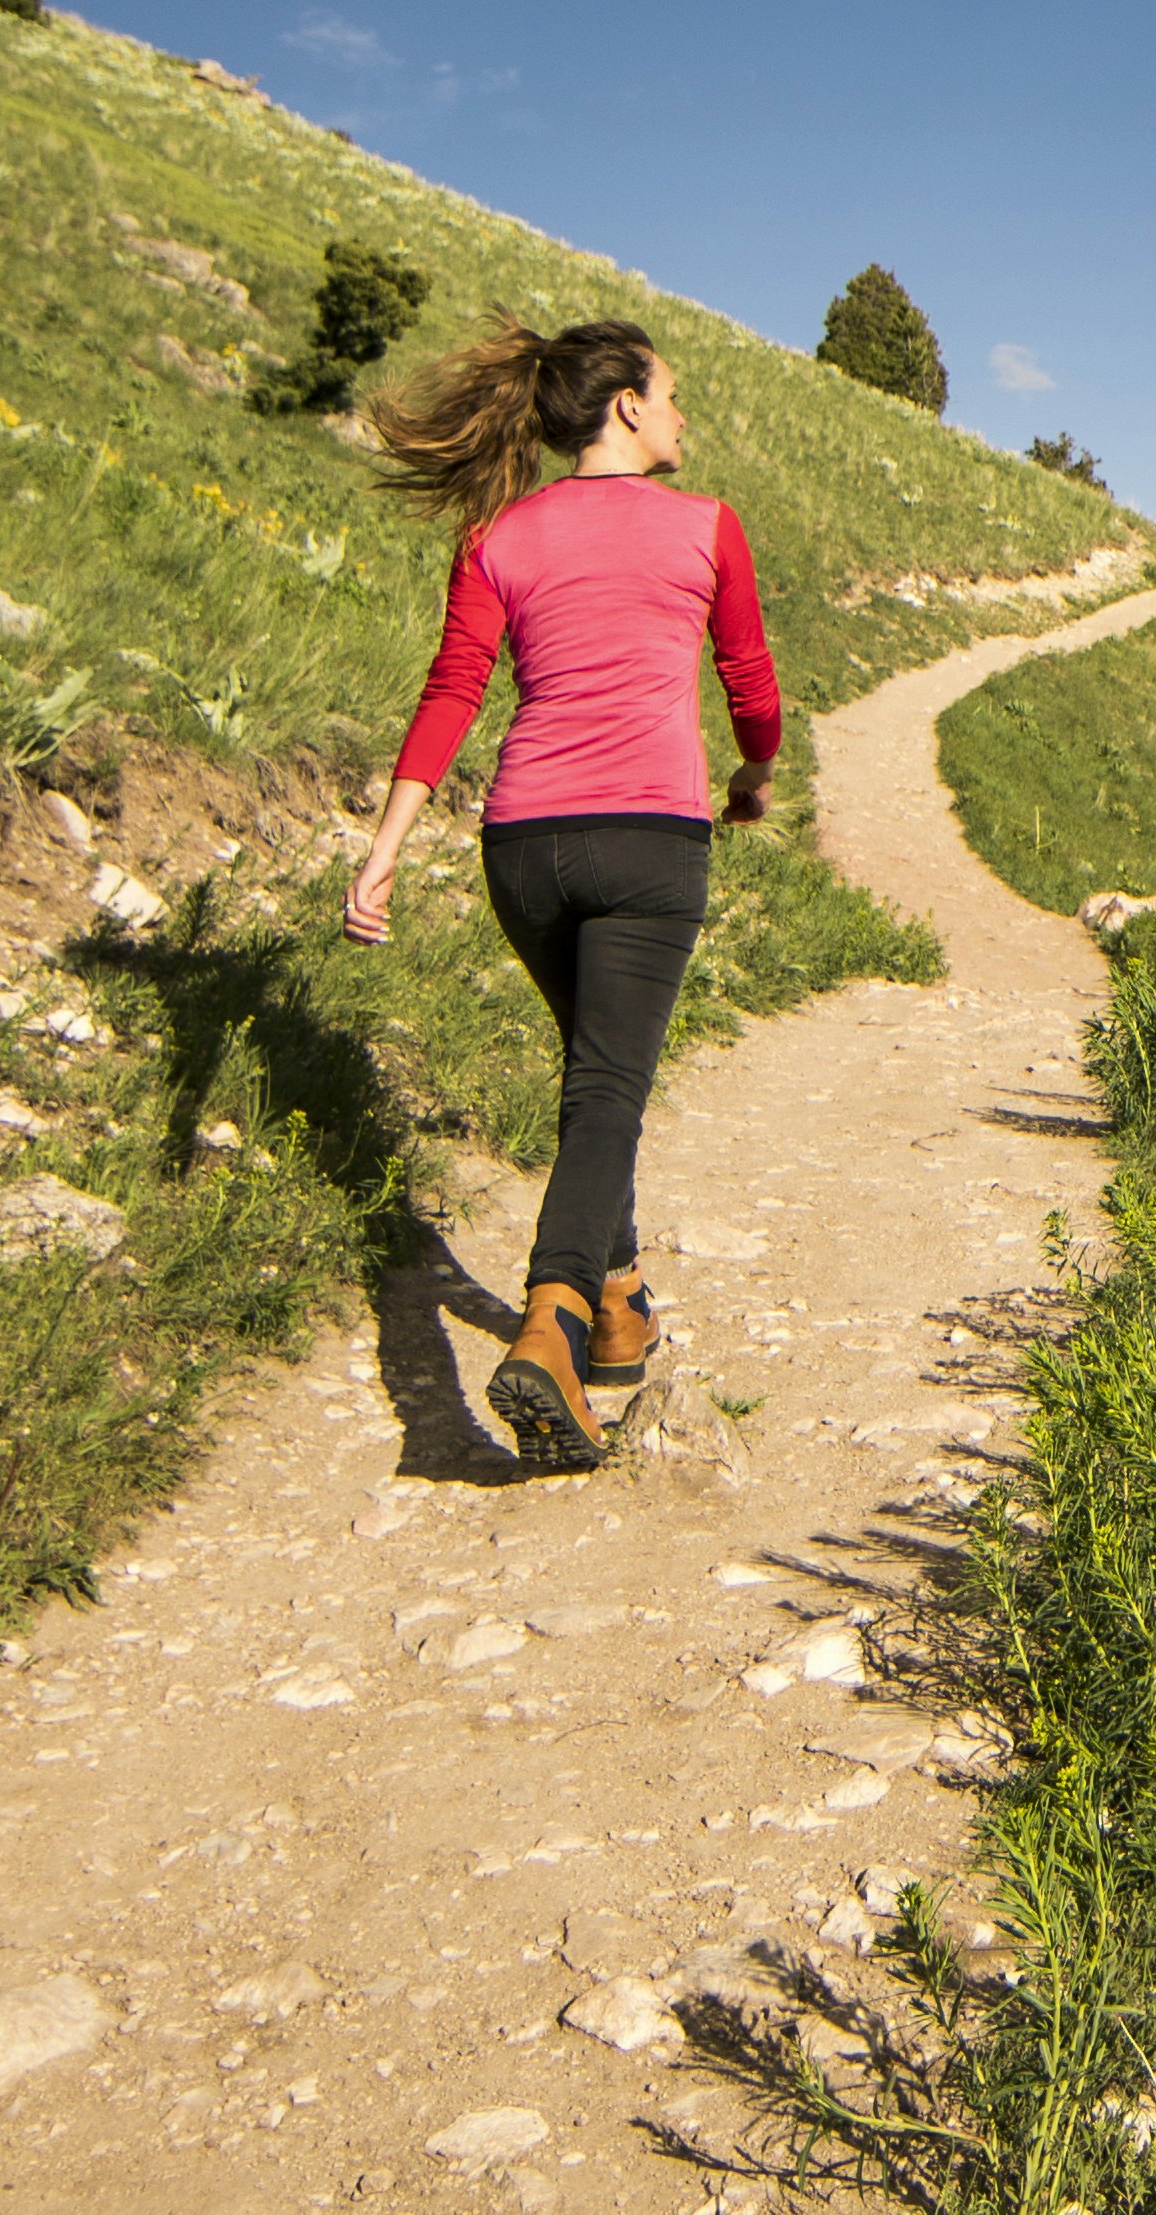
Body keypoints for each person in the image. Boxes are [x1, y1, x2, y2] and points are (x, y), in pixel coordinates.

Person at [342, 316, 783, 1470]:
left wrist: (384, 845)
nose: (684, 416)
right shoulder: (705, 526)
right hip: (647, 838)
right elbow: (750, 682)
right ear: (628, 405)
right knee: (607, 1089)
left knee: (598, 1078)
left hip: (521, 846)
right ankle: (551, 1324)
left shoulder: (499, 534)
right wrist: (752, 774)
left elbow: (451, 690)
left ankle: (621, 1294)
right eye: (672, 395)